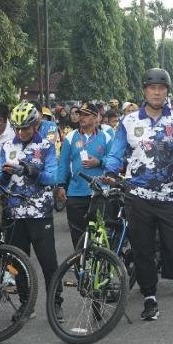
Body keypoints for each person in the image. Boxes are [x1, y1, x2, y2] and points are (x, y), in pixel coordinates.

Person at [103, 68, 173, 325]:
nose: (156, 92)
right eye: (152, 87)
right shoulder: (129, 121)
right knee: (142, 250)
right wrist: (109, 171)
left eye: (161, 88)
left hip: (169, 197)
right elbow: (116, 151)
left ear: (167, 91)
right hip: (137, 197)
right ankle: (149, 299)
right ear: (144, 90)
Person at [0, 102, 61, 308]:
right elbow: (0, 180)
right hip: (14, 213)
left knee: (48, 262)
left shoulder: (46, 147)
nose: (21, 132)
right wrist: (3, 177)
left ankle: (55, 303)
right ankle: (26, 304)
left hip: (39, 212)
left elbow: (52, 177)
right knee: (17, 263)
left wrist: (30, 171)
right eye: (17, 127)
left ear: (36, 126)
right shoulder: (7, 146)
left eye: (26, 127)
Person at [56, 102, 112, 249]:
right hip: (76, 193)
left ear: (96, 118)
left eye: (86, 115)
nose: (82, 118)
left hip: (99, 193)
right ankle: (80, 268)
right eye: (80, 114)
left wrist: (99, 162)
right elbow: (63, 163)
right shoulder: (70, 137)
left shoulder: (106, 137)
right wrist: (61, 185)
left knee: (100, 236)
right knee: (78, 237)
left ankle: (99, 268)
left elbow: (114, 161)